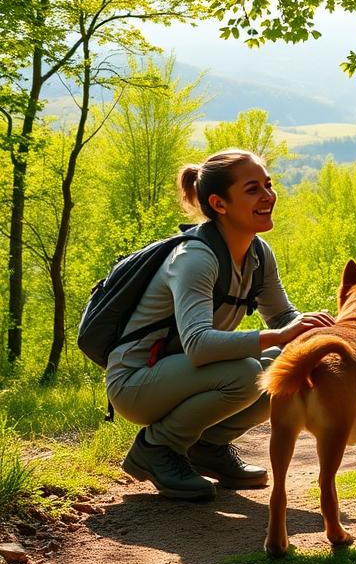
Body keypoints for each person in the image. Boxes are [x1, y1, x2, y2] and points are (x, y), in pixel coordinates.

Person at [107, 149, 334, 501]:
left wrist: (333, 340)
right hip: (137, 383)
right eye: (253, 189)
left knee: (285, 368)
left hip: (187, 376)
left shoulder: (258, 254)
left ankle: (209, 446)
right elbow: (198, 345)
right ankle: (157, 447)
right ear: (219, 203)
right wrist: (280, 335)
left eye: (268, 185)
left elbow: (283, 317)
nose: (268, 196)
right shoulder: (195, 258)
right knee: (245, 373)